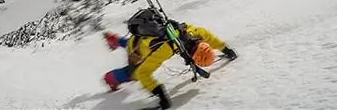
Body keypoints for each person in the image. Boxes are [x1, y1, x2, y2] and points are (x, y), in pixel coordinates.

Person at [102, 8, 238, 110]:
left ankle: (115, 40)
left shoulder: (192, 33)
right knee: (133, 74)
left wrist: (225, 49)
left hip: (142, 39)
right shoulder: (166, 49)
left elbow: (209, 38)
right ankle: (110, 78)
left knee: (132, 43)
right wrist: (160, 94)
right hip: (138, 48)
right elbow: (143, 73)